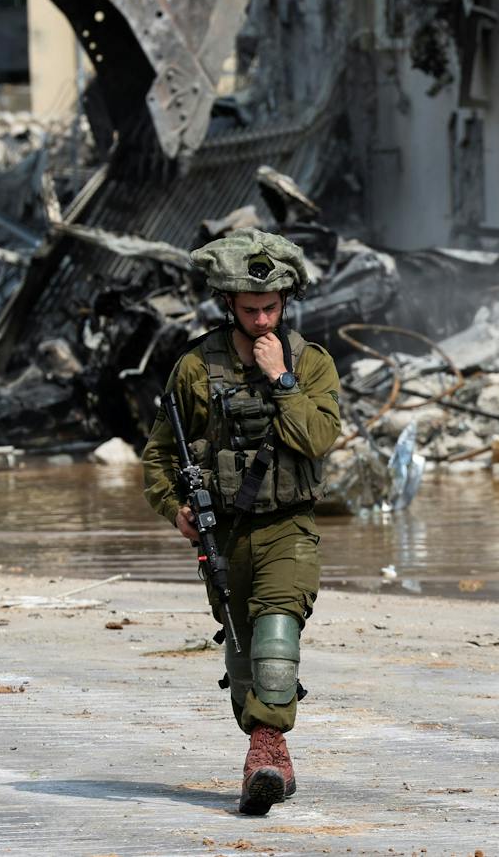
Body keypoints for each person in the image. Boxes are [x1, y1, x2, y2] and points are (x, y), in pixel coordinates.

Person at [140, 229, 341, 816]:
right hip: (223, 530)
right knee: (243, 653)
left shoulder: (311, 363)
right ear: (228, 305)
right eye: (250, 309)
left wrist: (281, 380)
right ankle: (269, 749)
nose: (260, 319)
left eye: (270, 309)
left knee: (278, 638)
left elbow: (319, 437)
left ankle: (265, 749)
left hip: (288, 527)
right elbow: (159, 455)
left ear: (285, 304)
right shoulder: (195, 369)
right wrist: (173, 507)